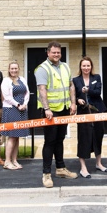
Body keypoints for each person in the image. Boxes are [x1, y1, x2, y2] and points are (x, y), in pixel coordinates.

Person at [35, 41, 78, 188]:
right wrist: (46, 109)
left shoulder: (65, 66)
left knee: (60, 140)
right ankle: (46, 174)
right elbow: (42, 89)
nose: (56, 54)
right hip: (50, 112)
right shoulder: (42, 68)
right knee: (50, 142)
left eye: (58, 52)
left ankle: (60, 169)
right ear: (48, 53)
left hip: (64, 108)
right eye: (53, 52)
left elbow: (71, 86)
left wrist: (73, 103)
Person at [73, 56, 107, 178]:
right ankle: (83, 167)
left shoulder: (96, 77)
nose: (86, 68)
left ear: (91, 66)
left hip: (97, 111)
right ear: (80, 67)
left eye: (88, 65)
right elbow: (74, 95)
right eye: (84, 66)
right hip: (83, 113)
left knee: (98, 136)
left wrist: (87, 90)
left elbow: (98, 92)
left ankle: (99, 163)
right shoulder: (75, 80)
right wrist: (78, 100)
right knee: (83, 138)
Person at [1, 61, 30, 170]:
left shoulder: (22, 79)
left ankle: (14, 160)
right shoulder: (6, 81)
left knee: (17, 137)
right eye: (12, 68)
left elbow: (27, 93)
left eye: (16, 68)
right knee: (12, 136)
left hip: (22, 110)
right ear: (9, 70)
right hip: (11, 109)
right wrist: (18, 104)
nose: (14, 70)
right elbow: (7, 97)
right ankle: (7, 161)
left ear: (18, 69)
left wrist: (25, 104)